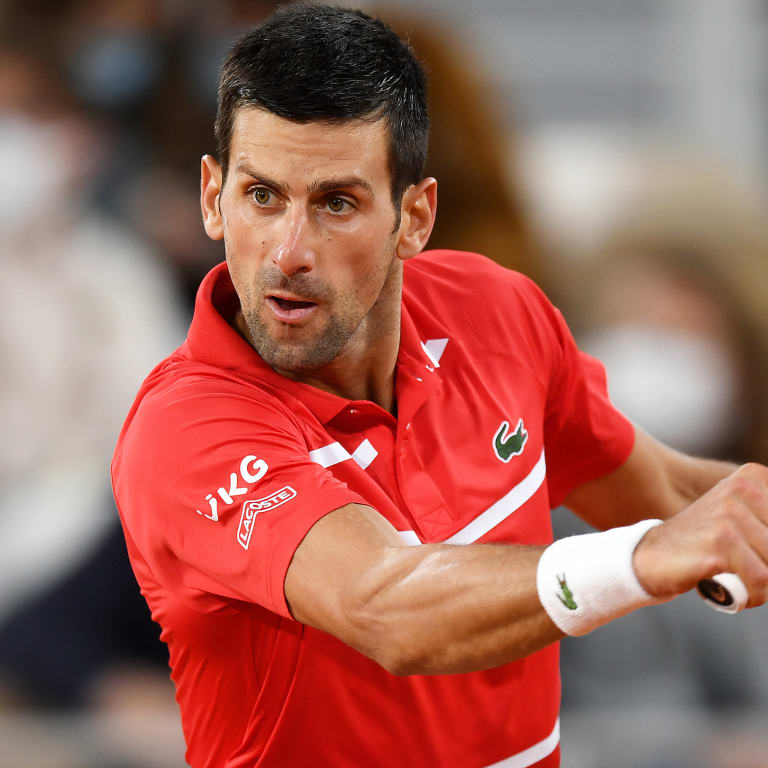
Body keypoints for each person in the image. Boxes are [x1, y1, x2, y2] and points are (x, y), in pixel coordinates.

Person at [111, 6, 768, 768]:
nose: (288, 252)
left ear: (415, 217)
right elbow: (387, 605)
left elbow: (671, 497)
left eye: (336, 203)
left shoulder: (497, 312)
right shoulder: (183, 428)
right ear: (211, 196)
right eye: (262, 196)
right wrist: (639, 559)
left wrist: (732, 520)